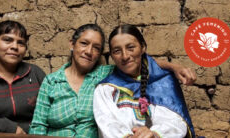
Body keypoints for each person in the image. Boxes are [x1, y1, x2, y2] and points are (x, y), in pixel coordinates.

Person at [29, 24, 196, 138]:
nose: (88, 51)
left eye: (96, 48)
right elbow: (38, 126)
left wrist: (174, 67)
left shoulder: (107, 74)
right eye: (84, 43)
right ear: (72, 44)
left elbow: (140, 64)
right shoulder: (54, 81)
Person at [93, 24, 195, 138]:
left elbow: (176, 122)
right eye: (117, 51)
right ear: (111, 56)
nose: (125, 56)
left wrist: (154, 134)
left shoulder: (164, 82)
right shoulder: (105, 90)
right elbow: (108, 124)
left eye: (131, 48)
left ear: (143, 48)